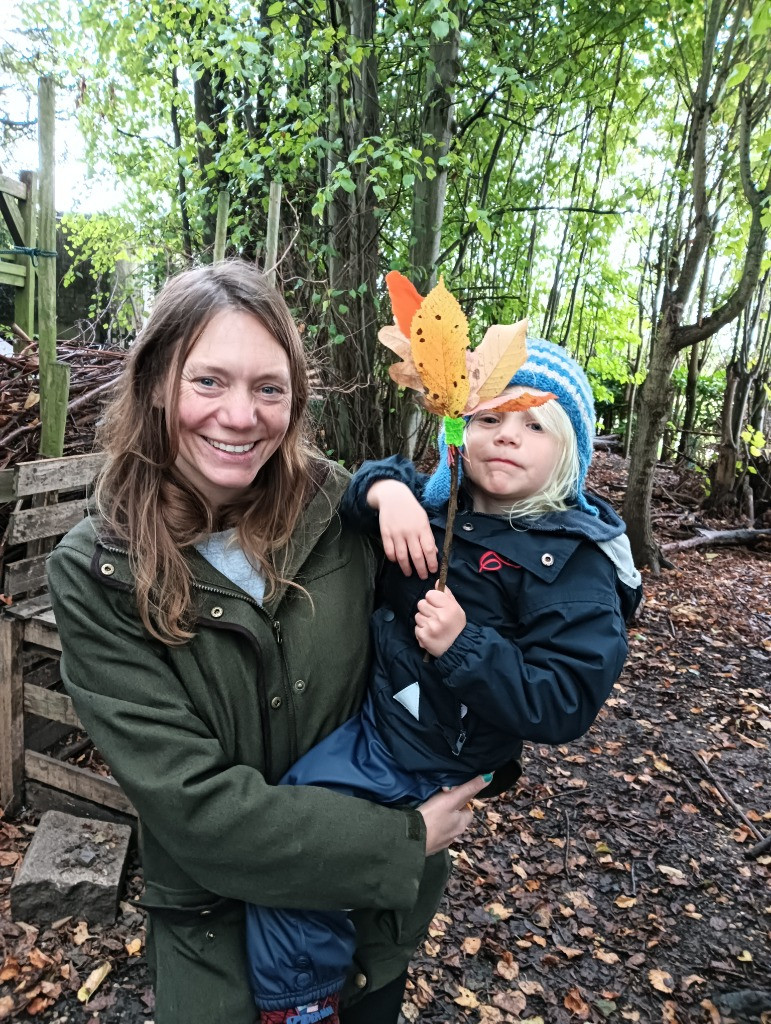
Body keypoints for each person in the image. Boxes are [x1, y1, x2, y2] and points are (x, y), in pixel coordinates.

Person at [46, 260, 488, 1024]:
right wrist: (400, 839)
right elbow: (194, 808)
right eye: (208, 382)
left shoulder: (341, 514)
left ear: (295, 398)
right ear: (156, 384)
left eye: (268, 388)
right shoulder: (99, 573)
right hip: (223, 953)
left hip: (363, 937)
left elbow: (456, 608)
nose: (241, 415)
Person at [245, 338, 643, 1023]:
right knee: (301, 829)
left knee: (294, 849)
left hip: (425, 756)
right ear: (458, 433)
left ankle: (302, 1001)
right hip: (380, 721)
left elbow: (564, 701)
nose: (507, 437)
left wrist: (465, 645)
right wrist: (390, 490)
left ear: (568, 449)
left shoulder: (572, 563)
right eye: (488, 419)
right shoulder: (441, 511)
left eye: (533, 424)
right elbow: (354, 496)